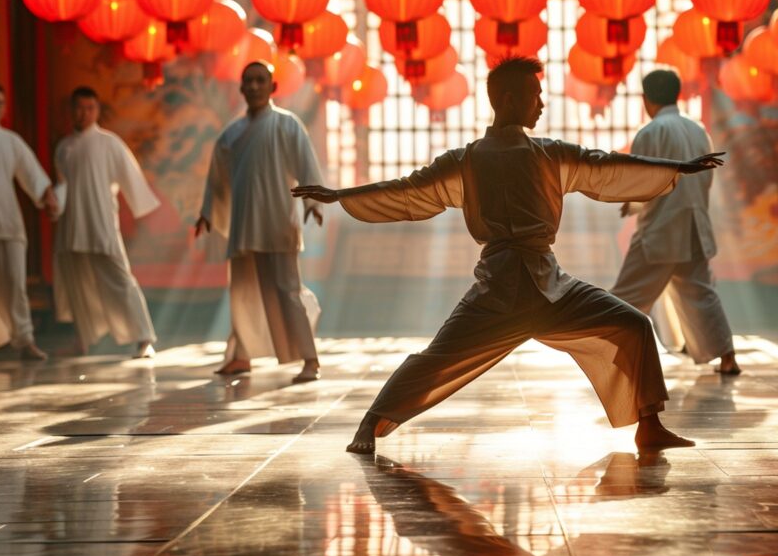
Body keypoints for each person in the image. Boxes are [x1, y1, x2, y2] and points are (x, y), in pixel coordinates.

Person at [293, 56, 725, 454]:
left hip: (550, 283)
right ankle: (369, 425)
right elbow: (407, 190)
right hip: (498, 289)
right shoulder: (467, 160)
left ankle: (648, 425)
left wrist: (675, 169)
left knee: (633, 324)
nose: (541, 105)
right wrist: (341, 196)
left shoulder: (549, 153)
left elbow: (606, 165)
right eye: (535, 96)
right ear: (509, 99)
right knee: (437, 359)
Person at [196, 61, 325, 383]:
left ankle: (310, 360)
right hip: (243, 224)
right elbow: (217, 182)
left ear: (272, 87)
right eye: (248, 81)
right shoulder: (232, 134)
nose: (253, 87)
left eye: (259, 81)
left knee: (287, 290)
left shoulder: (287, 125)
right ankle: (241, 356)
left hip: (279, 221)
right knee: (241, 291)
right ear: (241, 88)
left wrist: (313, 202)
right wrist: (208, 211)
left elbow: (306, 163)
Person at [610, 69, 741, 375]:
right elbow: (704, 179)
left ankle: (608, 350)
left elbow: (643, 182)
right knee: (701, 294)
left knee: (627, 296)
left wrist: (630, 203)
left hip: (660, 230)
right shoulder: (698, 131)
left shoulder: (650, 132)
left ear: (646, 98)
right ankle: (728, 357)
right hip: (694, 226)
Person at [53, 86, 159, 358]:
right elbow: (62, 186)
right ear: (71, 110)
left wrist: (143, 210)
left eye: (90, 108)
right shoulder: (64, 148)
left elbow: (130, 175)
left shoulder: (109, 142)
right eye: (79, 108)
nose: (84, 114)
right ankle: (82, 340)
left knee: (120, 279)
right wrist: (55, 205)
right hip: (71, 223)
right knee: (78, 284)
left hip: (100, 221)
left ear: (97, 111)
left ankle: (144, 338)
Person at [0, 82, 57, 360]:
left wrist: (48, 196)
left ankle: (24, 340)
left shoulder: (10, 141)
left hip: (7, 223)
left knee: (15, 285)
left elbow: (31, 172)